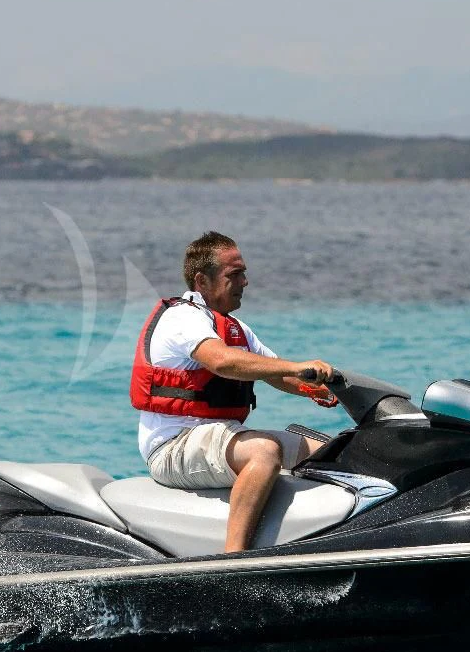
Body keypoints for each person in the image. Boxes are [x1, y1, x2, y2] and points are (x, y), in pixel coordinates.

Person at [130, 231, 337, 553]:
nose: (245, 282)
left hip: (220, 436)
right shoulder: (182, 318)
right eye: (235, 274)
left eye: (244, 273)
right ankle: (234, 557)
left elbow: (278, 373)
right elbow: (222, 362)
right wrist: (297, 366)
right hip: (173, 446)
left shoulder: (235, 328)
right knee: (263, 451)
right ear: (202, 281)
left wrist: (322, 388)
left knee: (335, 452)